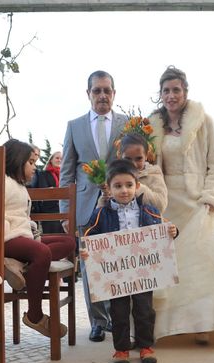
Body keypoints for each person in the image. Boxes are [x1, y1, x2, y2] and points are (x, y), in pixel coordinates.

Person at [149, 66, 214, 344]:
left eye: (176, 90)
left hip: (198, 202)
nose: (171, 96)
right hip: (166, 201)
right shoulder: (151, 126)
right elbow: (147, 165)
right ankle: (163, 323)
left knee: (205, 263)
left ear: (185, 91)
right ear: (160, 94)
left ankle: (202, 324)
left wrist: (211, 198)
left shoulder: (204, 120)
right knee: (168, 264)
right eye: (166, 91)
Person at [0, 139, 76, 338]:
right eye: (31, 163)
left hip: (20, 238)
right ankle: (34, 315)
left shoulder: (19, 186)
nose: (35, 168)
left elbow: (23, 219)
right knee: (42, 253)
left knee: (68, 242)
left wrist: (30, 234)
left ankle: (18, 264)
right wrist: (7, 233)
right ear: (17, 161)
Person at [82, 160, 178, 363]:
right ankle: (121, 349)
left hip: (143, 272)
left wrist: (173, 232)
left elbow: (164, 230)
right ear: (108, 188)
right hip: (115, 275)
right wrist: (85, 250)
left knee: (144, 310)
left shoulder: (149, 211)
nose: (124, 190)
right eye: (118, 186)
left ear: (137, 186)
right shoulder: (100, 214)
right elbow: (89, 236)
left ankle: (145, 346)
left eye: (128, 185)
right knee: (118, 311)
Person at [59, 70, 127, 342]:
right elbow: (66, 173)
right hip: (87, 207)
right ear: (88, 94)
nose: (102, 95)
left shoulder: (127, 124)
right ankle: (98, 321)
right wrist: (67, 210)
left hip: (121, 205)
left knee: (119, 262)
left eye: (106, 91)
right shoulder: (74, 126)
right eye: (96, 90)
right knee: (90, 266)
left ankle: (117, 317)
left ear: (114, 93)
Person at [99, 132, 168, 212]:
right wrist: (105, 197)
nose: (133, 164)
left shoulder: (153, 174)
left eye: (138, 159)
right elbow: (101, 210)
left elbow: (161, 206)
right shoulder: (115, 176)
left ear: (146, 156)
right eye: (128, 159)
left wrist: (136, 186)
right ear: (120, 156)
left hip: (148, 223)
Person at [30, 149, 64, 233]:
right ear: (51, 160)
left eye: (61, 159)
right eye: (57, 158)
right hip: (50, 210)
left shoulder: (65, 175)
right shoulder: (43, 174)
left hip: (63, 208)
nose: (59, 160)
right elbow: (45, 190)